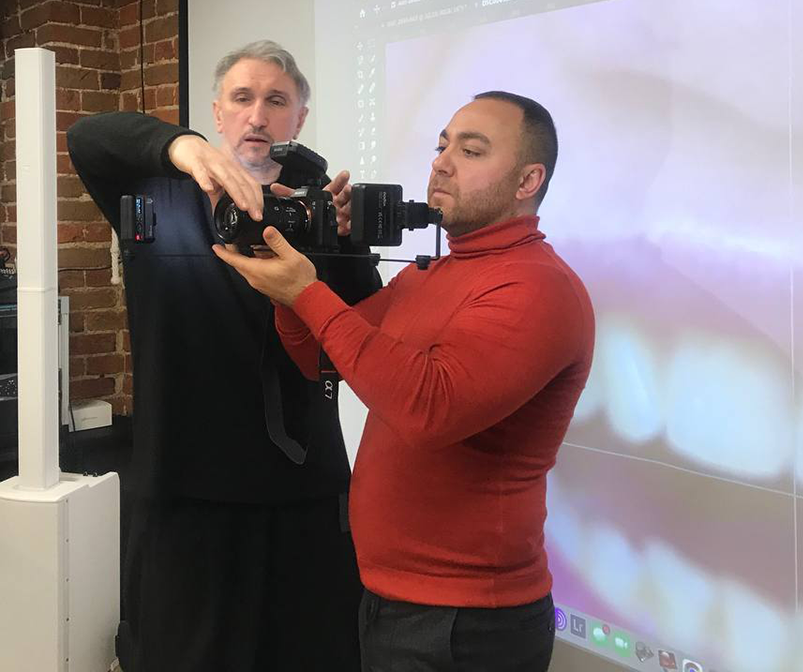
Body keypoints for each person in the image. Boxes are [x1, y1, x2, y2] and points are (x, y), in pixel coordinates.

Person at [215, 91, 595, 672]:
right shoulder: (431, 275)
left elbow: (428, 409)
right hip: (393, 598)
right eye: (441, 146)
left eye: (471, 151)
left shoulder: (538, 287)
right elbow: (321, 358)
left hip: (466, 621)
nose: (441, 163)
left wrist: (307, 292)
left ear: (528, 180)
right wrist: (292, 280)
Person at [67, 41, 370, 672]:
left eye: (276, 101)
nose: (258, 115)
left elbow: (361, 329)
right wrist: (180, 146)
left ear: (300, 118)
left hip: (302, 489)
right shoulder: (156, 194)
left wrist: (345, 243)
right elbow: (89, 139)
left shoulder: (320, 211)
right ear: (218, 112)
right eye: (242, 98)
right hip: (185, 493)